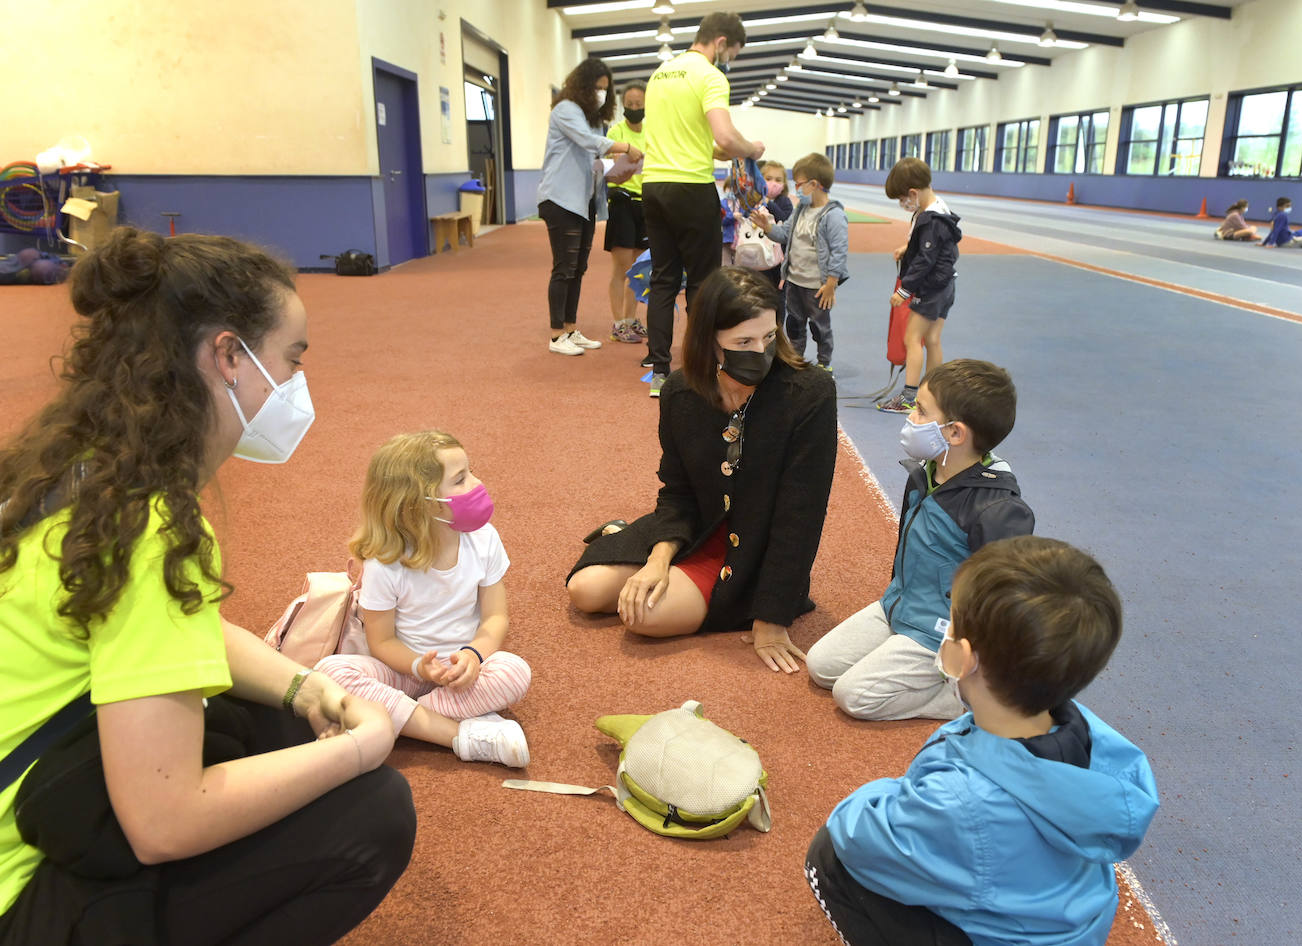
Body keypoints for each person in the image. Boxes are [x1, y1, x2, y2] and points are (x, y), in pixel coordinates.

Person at [0, 227, 414, 945]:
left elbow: (168, 632)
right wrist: (357, 749)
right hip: (18, 891)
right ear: (228, 356)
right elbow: (164, 823)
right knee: (371, 813)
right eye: (290, 360)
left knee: (282, 719)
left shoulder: (80, 469)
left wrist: (302, 686)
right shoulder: (150, 525)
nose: (295, 385)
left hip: (37, 789)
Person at [806, 536, 1159, 946]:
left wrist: (886, 792)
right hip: (1065, 925)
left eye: (950, 623)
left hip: (998, 918)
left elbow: (858, 834)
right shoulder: (1102, 742)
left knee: (828, 856)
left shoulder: (960, 799)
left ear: (962, 658)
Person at [566, 267, 837, 672]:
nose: (760, 351)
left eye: (768, 336)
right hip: (698, 526)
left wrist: (772, 617)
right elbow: (677, 491)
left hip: (758, 549)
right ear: (709, 340)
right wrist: (658, 559)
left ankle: (665, 564)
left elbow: (802, 513)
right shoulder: (680, 392)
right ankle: (646, 547)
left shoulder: (809, 393)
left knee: (641, 617)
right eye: (742, 341)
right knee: (584, 591)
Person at [807, 360, 1033, 721]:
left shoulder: (997, 510)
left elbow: (1000, 600)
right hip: (899, 606)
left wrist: (963, 660)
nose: (910, 415)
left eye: (921, 410)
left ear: (955, 433)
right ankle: (905, 649)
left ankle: (960, 699)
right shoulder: (927, 472)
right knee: (820, 667)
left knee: (853, 697)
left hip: (939, 634)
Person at [314, 431, 532, 768]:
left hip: (463, 674)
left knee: (514, 671)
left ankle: (393, 719)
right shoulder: (385, 562)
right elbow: (382, 641)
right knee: (328, 672)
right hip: (401, 671)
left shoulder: (484, 539)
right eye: (460, 479)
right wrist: (419, 666)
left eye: (470, 471)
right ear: (418, 502)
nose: (477, 483)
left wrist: (473, 656)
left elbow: (495, 618)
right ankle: (458, 733)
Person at [642, 11, 765, 397]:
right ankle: (698, 368)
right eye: (733, 53)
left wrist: (724, 149)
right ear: (722, 42)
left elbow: (694, 139)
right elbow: (727, 138)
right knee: (701, 282)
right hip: (692, 188)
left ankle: (659, 370)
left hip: (654, 185)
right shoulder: (711, 76)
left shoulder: (660, 74)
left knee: (663, 279)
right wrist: (752, 149)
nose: (730, 61)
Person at [537, 57, 643, 356]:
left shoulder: (591, 118)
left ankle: (571, 327)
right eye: (597, 87)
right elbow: (587, 142)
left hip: (583, 202)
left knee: (578, 268)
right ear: (582, 85)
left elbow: (592, 162)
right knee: (564, 268)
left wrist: (615, 169)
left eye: (604, 89)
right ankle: (557, 335)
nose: (600, 94)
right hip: (560, 199)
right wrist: (625, 148)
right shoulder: (565, 110)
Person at [750, 152, 849, 372]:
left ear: (814, 184)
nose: (796, 188)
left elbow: (839, 252)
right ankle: (796, 361)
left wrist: (831, 283)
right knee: (794, 325)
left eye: (799, 184)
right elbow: (784, 234)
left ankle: (824, 365)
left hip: (818, 287)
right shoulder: (801, 210)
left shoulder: (833, 216)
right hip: (794, 282)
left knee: (820, 328)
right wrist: (766, 227)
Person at [879, 157, 962, 414]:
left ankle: (909, 397)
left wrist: (903, 291)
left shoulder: (930, 219)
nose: (903, 204)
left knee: (912, 338)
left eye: (902, 199)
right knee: (932, 338)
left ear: (913, 193)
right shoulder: (939, 209)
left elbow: (926, 260)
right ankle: (934, 393)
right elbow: (934, 246)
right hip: (947, 285)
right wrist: (907, 248)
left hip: (930, 289)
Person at [604, 81, 650, 344]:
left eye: (639, 104)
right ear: (623, 105)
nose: (634, 108)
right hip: (622, 201)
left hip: (646, 203)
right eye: (630, 104)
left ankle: (632, 320)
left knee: (638, 267)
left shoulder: (652, 131)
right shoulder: (616, 132)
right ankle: (618, 323)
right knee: (620, 266)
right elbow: (613, 166)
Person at [758, 159, 793, 293]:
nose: (773, 183)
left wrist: (769, 203)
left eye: (778, 180)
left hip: (778, 257)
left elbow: (785, 219)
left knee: (778, 292)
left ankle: (778, 314)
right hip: (759, 255)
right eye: (768, 178)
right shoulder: (753, 201)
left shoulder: (785, 201)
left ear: (784, 185)